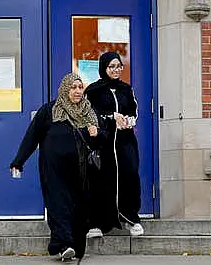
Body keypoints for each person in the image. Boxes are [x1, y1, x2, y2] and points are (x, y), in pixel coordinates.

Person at [10, 73, 105, 261]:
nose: (78, 91)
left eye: (80, 87)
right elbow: (32, 137)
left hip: (81, 170)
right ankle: (65, 244)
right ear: (65, 89)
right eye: (73, 87)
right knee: (58, 205)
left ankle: (69, 245)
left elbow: (101, 140)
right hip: (53, 168)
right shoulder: (49, 110)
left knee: (78, 209)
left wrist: (97, 134)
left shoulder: (88, 111)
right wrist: (18, 161)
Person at [84, 51, 144, 237]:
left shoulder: (126, 89)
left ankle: (130, 218)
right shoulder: (93, 91)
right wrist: (111, 117)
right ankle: (98, 223)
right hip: (104, 142)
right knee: (102, 179)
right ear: (104, 68)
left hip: (125, 142)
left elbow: (134, 112)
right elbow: (89, 115)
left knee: (130, 175)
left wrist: (128, 120)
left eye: (119, 66)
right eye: (112, 67)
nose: (116, 70)